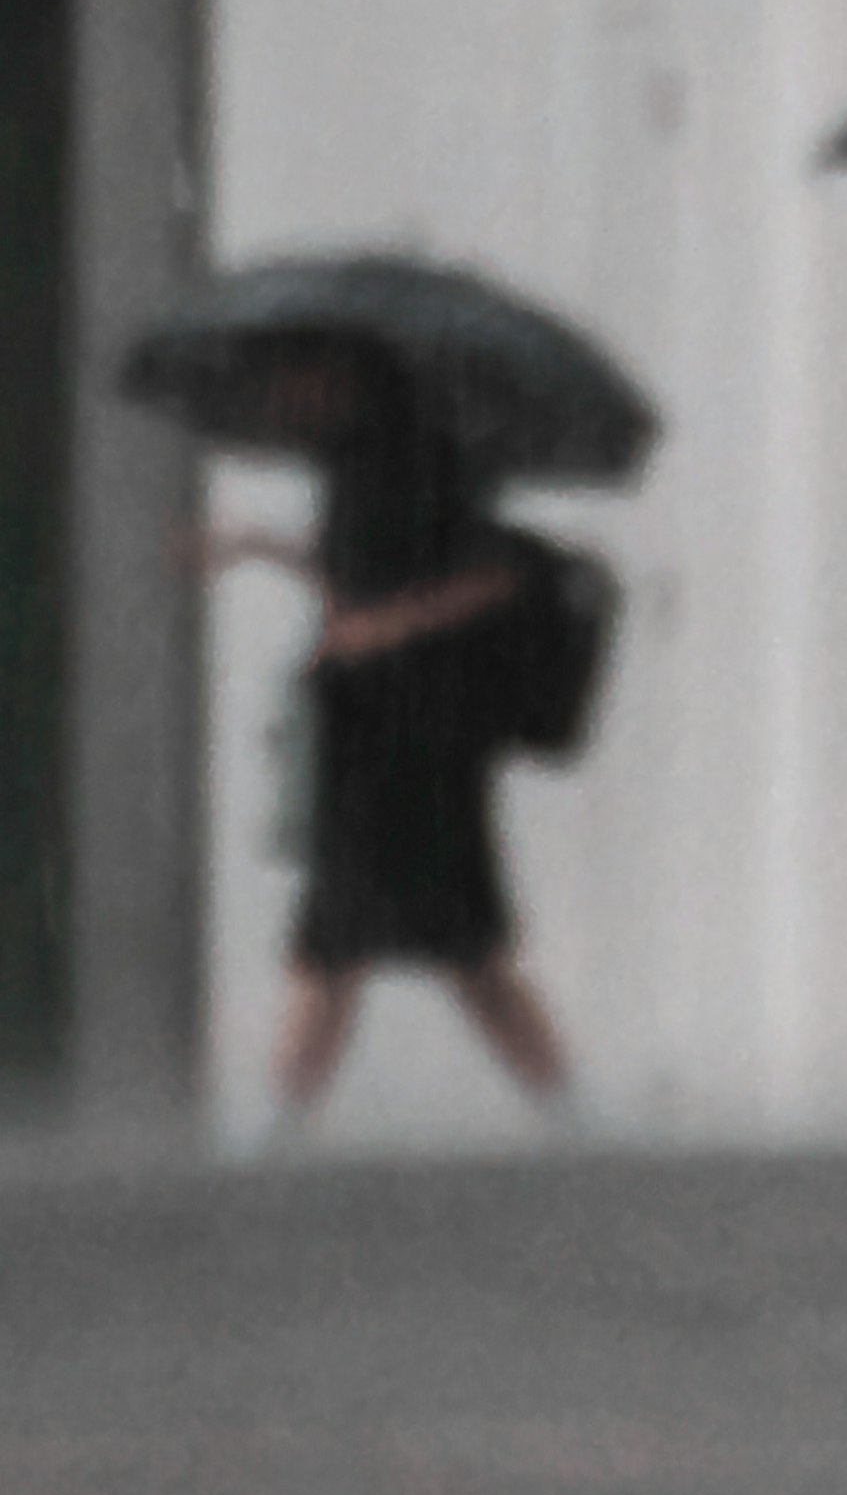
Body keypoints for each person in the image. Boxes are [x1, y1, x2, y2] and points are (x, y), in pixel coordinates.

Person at [200, 344, 574, 1125]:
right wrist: (259, 547)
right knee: (354, 939)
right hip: (370, 737)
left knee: (437, 947)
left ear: (341, 373)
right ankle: (284, 1127)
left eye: (295, 371)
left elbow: (496, 575)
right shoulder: (351, 464)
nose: (281, 389)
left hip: (417, 745)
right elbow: (364, 572)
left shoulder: (419, 456)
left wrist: (383, 629)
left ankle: (569, 1112)